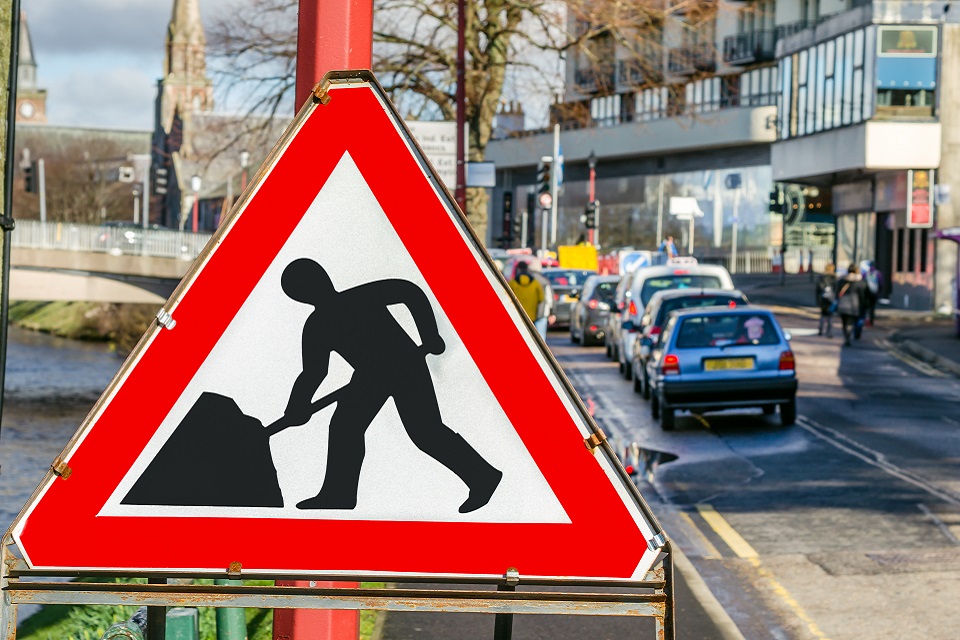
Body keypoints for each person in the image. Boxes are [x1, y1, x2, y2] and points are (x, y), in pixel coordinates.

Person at [280, 258, 502, 514]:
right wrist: (296, 406)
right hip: (369, 376)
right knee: (345, 427)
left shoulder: (357, 299)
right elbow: (314, 372)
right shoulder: (317, 325)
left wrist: (429, 334)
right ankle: (339, 492)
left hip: (405, 365)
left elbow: (410, 292)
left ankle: (483, 477)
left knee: (425, 432)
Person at [508, 261, 555, 338]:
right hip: (534, 315)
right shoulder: (536, 282)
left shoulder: (512, 282)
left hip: (517, 314)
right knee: (538, 338)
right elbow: (542, 298)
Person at [836, 263, 867, 346]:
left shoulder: (842, 280)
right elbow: (862, 295)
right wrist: (862, 304)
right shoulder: (860, 282)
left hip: (842, 304)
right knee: (850, 322)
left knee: (844, 322)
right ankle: (849, 335)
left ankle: (846, 336)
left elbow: (837, 292)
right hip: (854, 305)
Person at [815, 263, 838, 338]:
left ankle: (820, 330)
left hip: (823, 298)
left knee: (823, 315)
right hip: (831, 299)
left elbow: (818, 289)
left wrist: (818, 300)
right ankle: (829, 332)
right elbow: (836, 289)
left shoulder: (821, 277)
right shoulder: (834, 278)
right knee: (830, 316)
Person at [860, 260, 883, 326]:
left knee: (865, 307)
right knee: (872, 308)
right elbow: (881, 284)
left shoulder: (865, 274)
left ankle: (865, 320)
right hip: (874, 294)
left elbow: (862, 283)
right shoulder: (878, 274)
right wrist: (878, 292)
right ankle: (871, 321)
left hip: (866, 294)